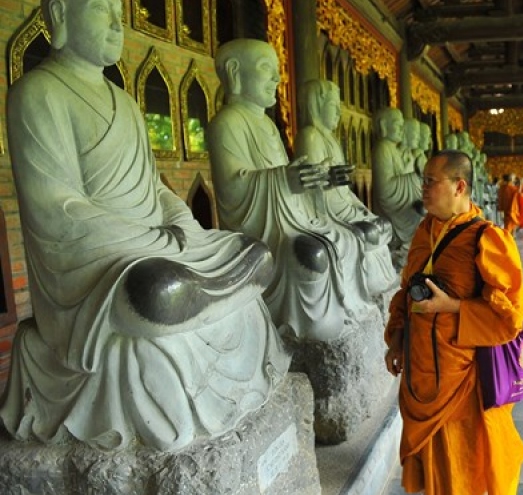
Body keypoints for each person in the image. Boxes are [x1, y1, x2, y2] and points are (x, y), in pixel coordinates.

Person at [1, 0, 289, 452]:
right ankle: (182, 293)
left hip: (156, 243)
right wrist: (151, 239)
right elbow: (56, 208)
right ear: (59, 14)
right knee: (156, 290)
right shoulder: (36, 94)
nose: (118, 24)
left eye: (119, 11)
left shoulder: (126, 103)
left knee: (253, 253)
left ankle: (192, 290)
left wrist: (179, 222)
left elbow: (155, 188)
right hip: (98, 263)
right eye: (101, 10)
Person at [207, 41, 376, 340]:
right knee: (314, 253)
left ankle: (341, 308)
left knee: (348, 238)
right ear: (235, 73)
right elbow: (234, 191)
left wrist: (314, 180)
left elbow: (291, 180)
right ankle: (310, 325)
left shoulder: (270, 127)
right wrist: (285, 181)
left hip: (296, 218)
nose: (276, 78)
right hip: (264, 229)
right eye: (265, 69)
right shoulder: (227, 122)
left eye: (276, 71)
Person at [383, 150, 523, 495]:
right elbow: (407, 290)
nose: (423, 188)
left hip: (462, 379)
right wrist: (397, 338)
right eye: (424, 181)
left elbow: (511, 317)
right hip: (421, 371)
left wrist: (454, 306)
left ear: (459, 187)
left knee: (462, 469)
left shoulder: (487, 238)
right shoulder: (424, 231)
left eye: (431, 181)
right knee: (434, 474)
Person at [294, 78, 397, 295]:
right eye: (333, 106)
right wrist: (329, 179)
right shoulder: (310, 136)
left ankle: (381, 283)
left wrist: (359, 206)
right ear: (316, 105)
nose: (338, 113)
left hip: (343, 203)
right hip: (326, 209)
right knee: (367, 232)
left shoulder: (331, 139)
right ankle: (362, 289)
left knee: (381, 225)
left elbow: (342, 189)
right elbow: (310, 188)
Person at [372, 107, 424, 252]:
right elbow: (385, 190)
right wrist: (415, 176)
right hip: (392, 213)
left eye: (403, 126)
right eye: (397, 125)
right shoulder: (382, 148)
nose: (401, 129)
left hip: (403, 207)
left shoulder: (393, 149)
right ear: (383, 125)